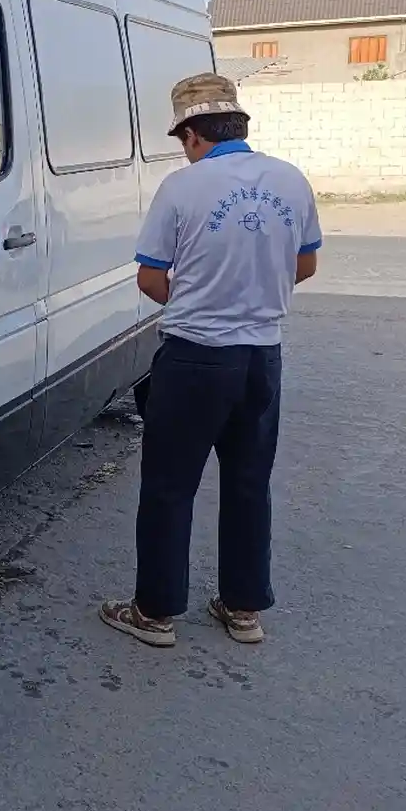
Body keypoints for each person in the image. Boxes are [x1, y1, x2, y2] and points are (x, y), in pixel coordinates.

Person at [101, 73, 321, 648]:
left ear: (193, 134)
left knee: (170, 486)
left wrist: (204, 299)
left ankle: (154, 613)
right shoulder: (291, 180)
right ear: (240, 127)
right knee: (250, 482)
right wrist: (251, 294)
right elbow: (306, 266)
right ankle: (244, 609)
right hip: (261, 357)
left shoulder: (183, 188)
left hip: (196, 357)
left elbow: (152, 277)